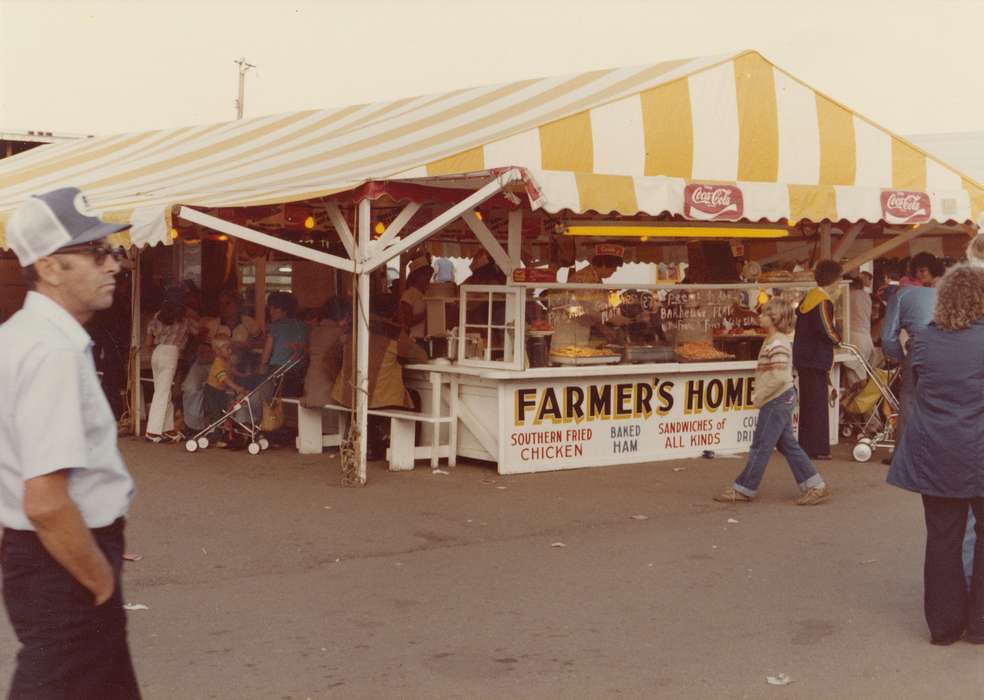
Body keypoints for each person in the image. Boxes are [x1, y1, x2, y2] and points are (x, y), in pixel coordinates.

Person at [0, 187, 141, 697]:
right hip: (65, 566)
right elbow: (46, 500)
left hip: (50, 554)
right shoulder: (51, 352)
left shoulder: (20, 336)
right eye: (97, 252)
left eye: (112, 250)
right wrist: (99, 581)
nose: (114, 265)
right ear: (50, 267)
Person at [886, 264, 984, 645]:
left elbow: (916, 387)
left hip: (937, 450)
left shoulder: (924, 340)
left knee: (942, 537)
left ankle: (943, 627)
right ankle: (979, 625)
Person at [714, 298, 830, 505]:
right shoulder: (775, 340)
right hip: (781, 397)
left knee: (761, 445)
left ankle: (744, 488)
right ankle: (814, 484)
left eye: (765, 314)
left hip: (776, 398)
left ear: (775, 318)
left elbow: (778, 377)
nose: (760, 316)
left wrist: (759, 396)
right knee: (787, 444)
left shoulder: (777, 343)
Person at [880, 252, 942, 457]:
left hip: (918, 350)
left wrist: (898, 355)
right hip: (950, 350)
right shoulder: (948, 293)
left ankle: (904, 455)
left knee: (908, 398)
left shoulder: (902, 295)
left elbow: (888, 336)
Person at [792, 259, 843, 460]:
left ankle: (806, 444)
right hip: (815, 358)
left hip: (804, 357)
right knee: (818, 405)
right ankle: (818, 448)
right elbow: (826, 328)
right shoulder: (822, 300)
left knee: (808, 404)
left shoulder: (809, 298)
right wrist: (838, 339)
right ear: (833, 279)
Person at [143, 296, 196, 443]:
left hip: (157, 352)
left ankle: (167, 428)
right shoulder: (185, 321)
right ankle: (152, 431)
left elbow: (148, 342)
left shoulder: (158, 319)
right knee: (163, 392)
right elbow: (198, 331)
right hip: (172, 353)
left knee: (162, 391)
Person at [301, 296, 350, 409]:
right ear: (343, 315)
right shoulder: (341, 334)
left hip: (309, 389)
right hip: (329, 392)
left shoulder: (315, 331)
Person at [260, 291, 309, 396]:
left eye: (275, 308)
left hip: (277, 372)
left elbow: (265, 356)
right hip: (298, 374)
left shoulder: (276, 326)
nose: (271, 312)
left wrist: (262, 370)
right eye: (270, 308)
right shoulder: (304, 326)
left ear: (285, 310)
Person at [843, 276, 874, 387]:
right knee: (862, 375)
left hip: (854, 340)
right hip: (866, 339)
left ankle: (858, 403)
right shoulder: (866, 296)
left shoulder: (849, 295)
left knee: (855, 380)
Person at [400, 256, 433, 344]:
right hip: (413, 339)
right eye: (425, 275)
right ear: (417, 276)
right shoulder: (408, 294)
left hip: (426, 338)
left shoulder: (425, 293)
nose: (428, 278)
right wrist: (427, 314)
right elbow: (408, 321)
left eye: (428, 275)